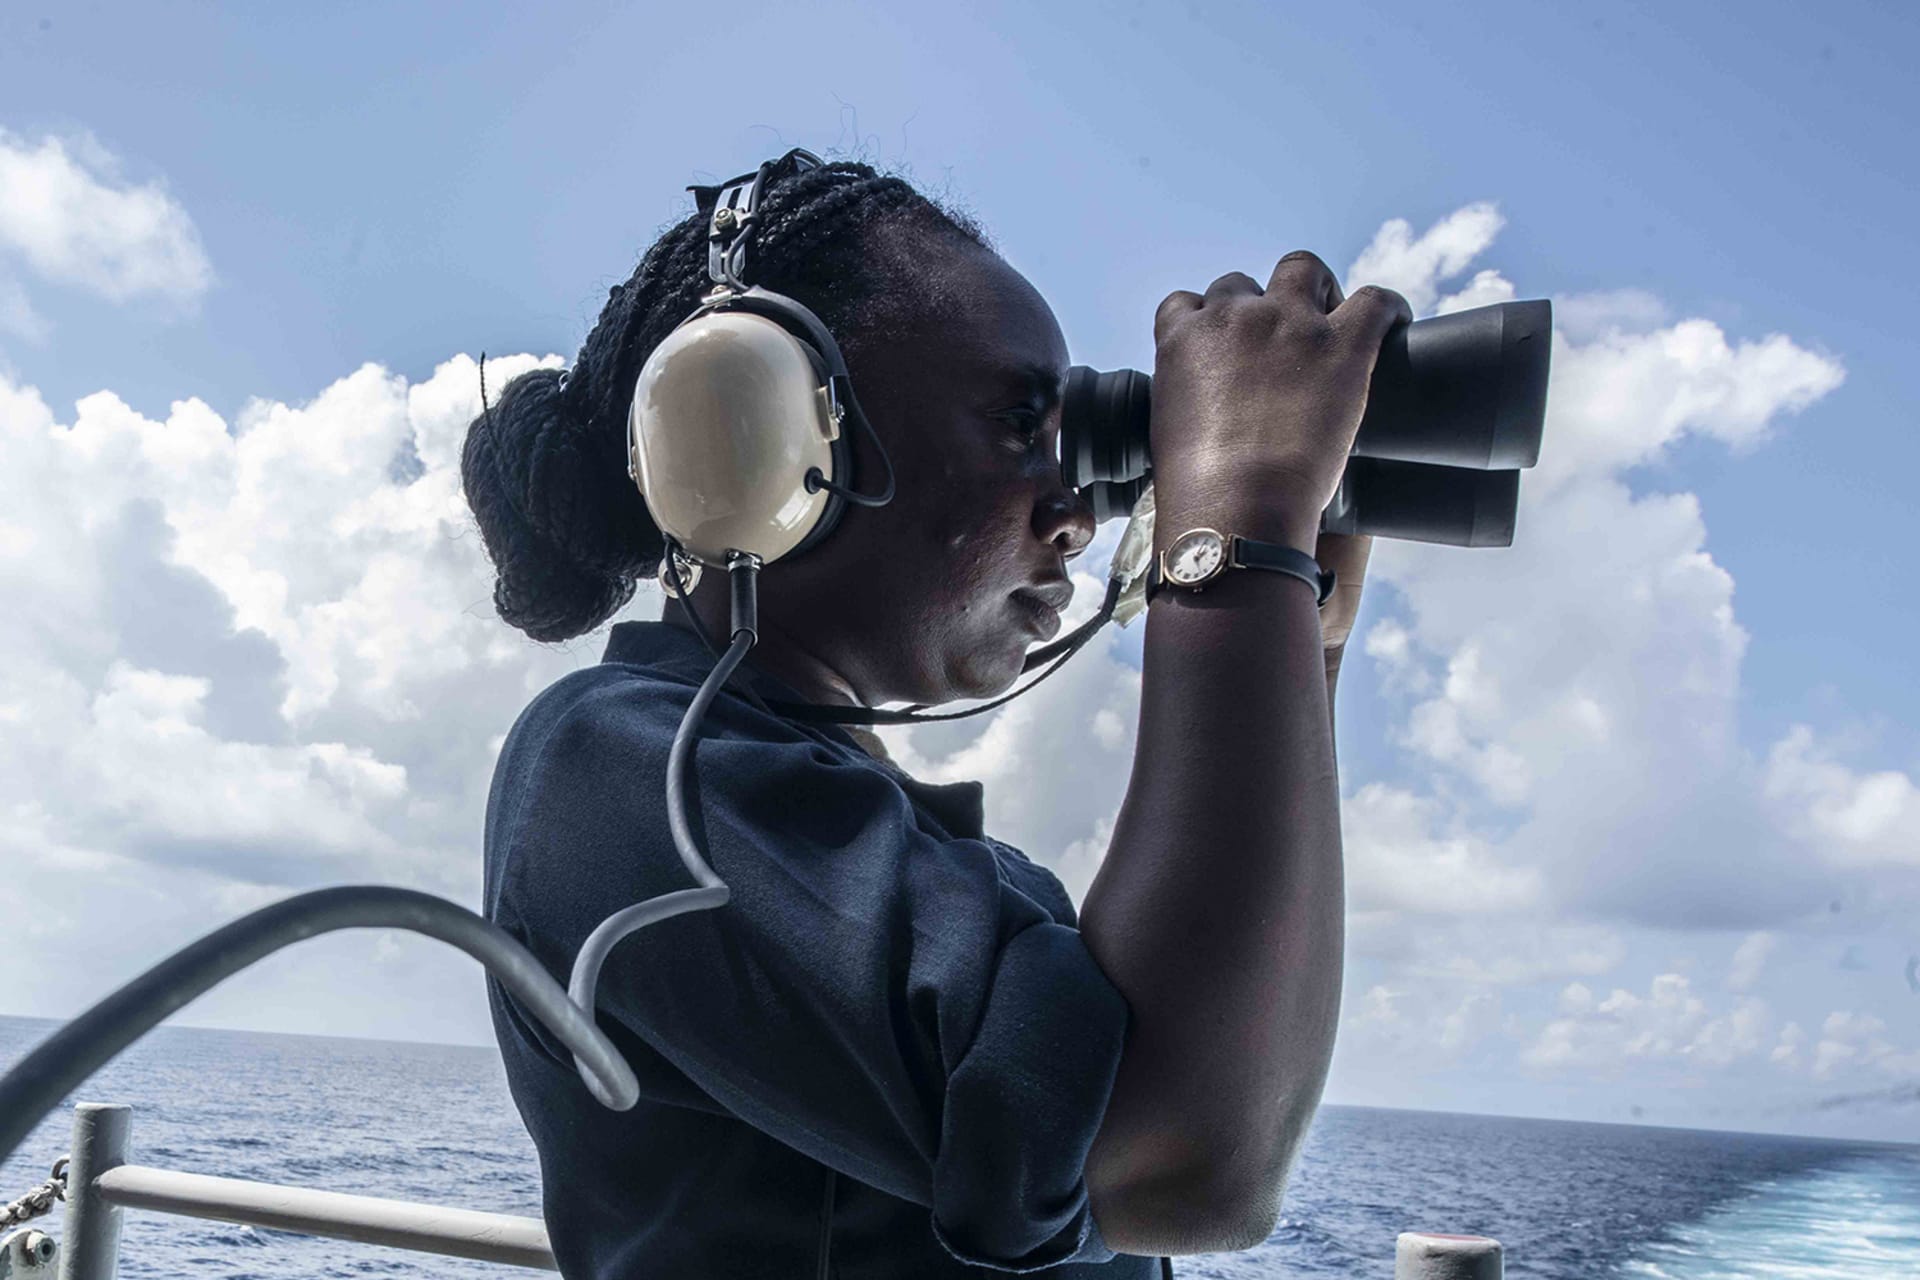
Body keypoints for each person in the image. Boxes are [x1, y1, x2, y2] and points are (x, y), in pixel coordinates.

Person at [461, 152, 1408, 1279]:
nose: (1074, 514)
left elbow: (1200, 1061)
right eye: (1019, 423)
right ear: (755, 435)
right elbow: (1180, 1158)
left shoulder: (830, 817)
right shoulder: (618, 770)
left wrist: (1304, 632)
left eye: (1073, 444)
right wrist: (1239, 527)